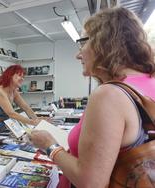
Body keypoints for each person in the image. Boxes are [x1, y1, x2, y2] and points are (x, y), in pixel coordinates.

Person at [30, 7, 155, 187]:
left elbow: (90, 183)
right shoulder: (148, 82)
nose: (78, 54)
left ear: (105, 41)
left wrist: (49, 145)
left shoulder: (109, 94)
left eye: (82, 43)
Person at [0, 64, 41, 139]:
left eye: (23, 77)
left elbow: (26, 107)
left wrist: (37, 121)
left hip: (3, 126)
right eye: (19, 76)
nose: (22, 79)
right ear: (10, 76)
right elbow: (12, 114)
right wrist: (32, 122)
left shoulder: (13, 91)